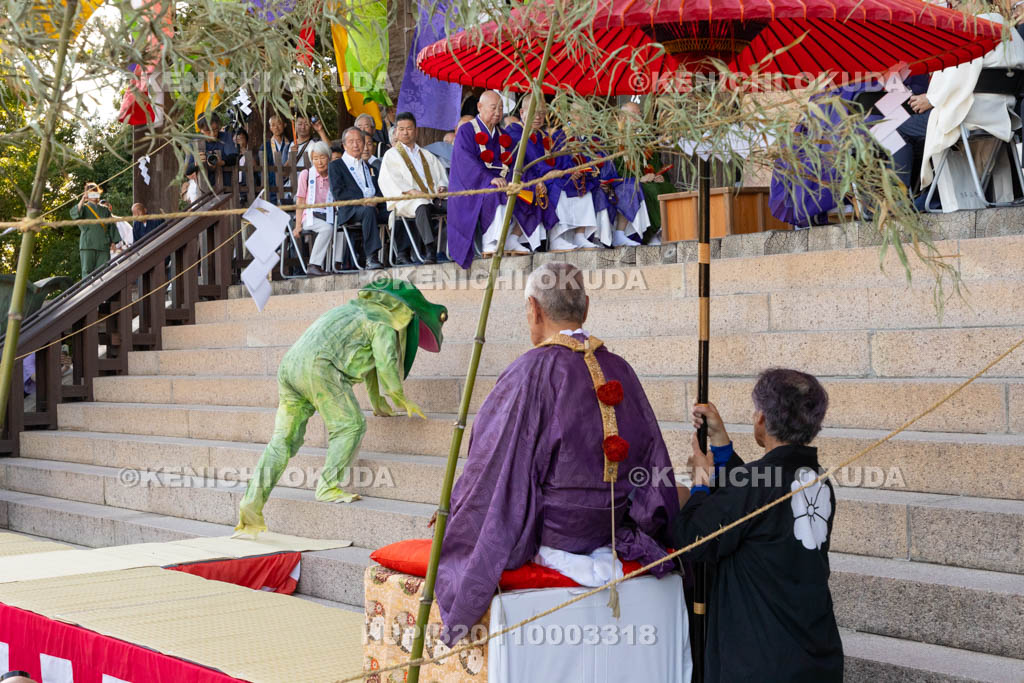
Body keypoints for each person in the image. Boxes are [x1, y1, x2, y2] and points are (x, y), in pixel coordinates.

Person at [435, 262, 679, 642]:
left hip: (553, 537)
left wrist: (457, 510)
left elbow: (495, 464)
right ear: (586, 308)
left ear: (533, 309)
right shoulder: (621, 369)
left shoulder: (529, 372)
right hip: (613, 530)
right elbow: (652, 462)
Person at [234, 278, 448, 537]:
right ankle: (328, 486)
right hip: (319, 367)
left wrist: (379, 403)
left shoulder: (355, 309)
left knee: (283, 440)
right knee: (351, 426)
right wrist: (401, 398)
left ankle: (251, 502)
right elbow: (385, 362)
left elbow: (369, 366)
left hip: (290, 366)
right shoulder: (382, 322)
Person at [668, 369, 843, 682]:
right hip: (813, 647)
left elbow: (692, 539)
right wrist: (721, 447)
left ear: (761, 419)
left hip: (760, 657)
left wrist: (701, 481)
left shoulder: (757, 482)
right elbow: (752, 506)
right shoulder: (818, 477)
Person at [894, 7, 1024, 208]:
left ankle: (900, 204)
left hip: (970, 115)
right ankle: (931, 197)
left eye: (955, 3)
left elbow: (955, 74)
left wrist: (931, 99)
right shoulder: (1012, 32)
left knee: (898, 129)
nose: (953, 8)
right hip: (1003, 113)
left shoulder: (975, 28)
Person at [448, 90, 534, 265]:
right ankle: (491, 242)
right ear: (480, 107)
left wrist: (514, 180)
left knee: (523, 189)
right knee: (496, 191)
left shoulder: (502, 135)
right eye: (493, 108)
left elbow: (511, 161)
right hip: (471, 184)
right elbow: (466, 162)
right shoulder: (466, 131)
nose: (497, 112)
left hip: (499, 180)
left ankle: (512, 239)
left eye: (501, 108)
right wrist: (489, 179)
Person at [379, 112, 450, 265]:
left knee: (457, 205)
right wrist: (412, 192)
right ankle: (430, 250)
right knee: (421, 204)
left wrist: (442, 187)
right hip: (407, 200)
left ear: (416, 130)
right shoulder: (391, 155)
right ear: (396, 131)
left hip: (433, 198)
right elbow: (389, 180)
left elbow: (441, 176)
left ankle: (457, 248)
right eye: (402, 129)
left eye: (409, 128)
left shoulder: (426, 154)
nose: (405, 132)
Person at [328, 127, 388, 269]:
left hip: (374, 208)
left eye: (359, 141)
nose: (356, 145)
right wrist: (364, 200)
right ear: (344, 145)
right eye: (351, 142)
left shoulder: (370, 167)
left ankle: (403, 254)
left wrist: (375, 200)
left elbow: (380, 191)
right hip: (350, 210)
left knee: (396, 213)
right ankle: (371, 257)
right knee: (368, 211)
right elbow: (338, 193)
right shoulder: (336, 166)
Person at [294, 141, 337, 276]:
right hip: (310, 216)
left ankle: (337, 263)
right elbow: (300, 200)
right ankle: (314, 265)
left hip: (329, 213)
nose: (319, 162)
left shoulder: (334, 175)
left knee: (341, 227)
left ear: (329, 158)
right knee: (327, 228)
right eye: (315, 159)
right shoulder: (306, 174)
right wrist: (297, 225)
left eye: (322, 157)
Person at [69, 182, 119, 278]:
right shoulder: (83, 208)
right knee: (87, 272)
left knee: (104, 272)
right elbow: (74, 214)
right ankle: (88, 292)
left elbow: (111, 226)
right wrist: (83, 199)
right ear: (87, 194)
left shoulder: (105, 210)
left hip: (103, 245)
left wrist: (113, 242)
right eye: (91, 193)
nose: (94, 195)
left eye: (96, 192)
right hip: (88, 244)